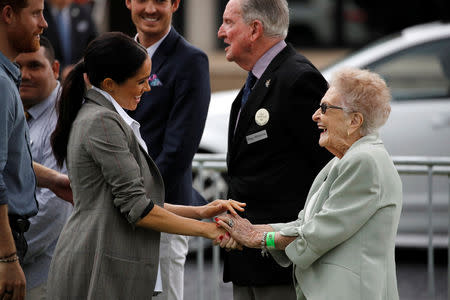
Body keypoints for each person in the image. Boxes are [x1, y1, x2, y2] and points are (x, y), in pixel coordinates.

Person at [47, 32, 242, 300]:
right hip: (99, 263)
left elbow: (135, 201)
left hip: (105, 261)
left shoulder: (104, 117)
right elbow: (139, 209)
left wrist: (200, 212)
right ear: (109, 84)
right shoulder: (102, 122)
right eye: (141, 81)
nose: (148, 88)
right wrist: (208, 230)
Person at [218, 67, 403, 300]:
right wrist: (250, 229)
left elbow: (317, 233)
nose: (315, 115)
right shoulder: (346, 159)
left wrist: (258, 238)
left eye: (325, 108)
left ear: (354, 120)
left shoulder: (364, 161)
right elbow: (304, 223)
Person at [217, 0, 331, 298]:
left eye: (229, 22)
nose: (220, 32)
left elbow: (327, 170)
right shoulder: (257, 79)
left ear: (254, 30)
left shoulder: (298, 79)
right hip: (248, 260)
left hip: (281, 266)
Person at [125, 1, 211, 299]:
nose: (150, 8)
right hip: (117, 211)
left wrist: (135, 197)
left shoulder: (190, 60)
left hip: (162, 210)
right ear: (128, 3)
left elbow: (178, 150)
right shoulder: (116, 55)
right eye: (142, 0)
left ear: (175, 4)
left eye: (160, 0)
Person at [0, 1, 72, 299]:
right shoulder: (3, 86)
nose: (44, 24)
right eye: (35, 13)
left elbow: (11, 163)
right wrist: (8, 257)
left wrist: (54, 180)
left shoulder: (8, 82)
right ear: (8, 14)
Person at [15, 36, 73, 300]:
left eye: (35, 66)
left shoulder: (65, 117)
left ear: (55, 69)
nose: (24, 75)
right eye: (18, 67)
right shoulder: (14, 109)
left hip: (44, 277)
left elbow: (55, 206)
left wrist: (8, 250)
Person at [42, 0, 97, 72]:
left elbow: (94, 45)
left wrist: (80, 67)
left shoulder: (83, 12)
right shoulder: (40, 13)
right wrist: (62, 71)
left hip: (80, 74)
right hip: (50, 73)